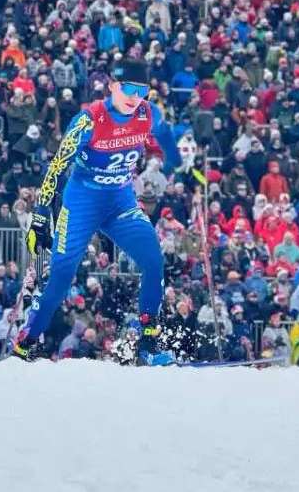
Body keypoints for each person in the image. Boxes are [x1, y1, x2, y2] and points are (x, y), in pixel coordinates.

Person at [15, 59, 181, 364]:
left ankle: (147, 347)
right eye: (128, 89)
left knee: (153, 260)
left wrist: (174, 162)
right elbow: (57, 166)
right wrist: (40, 215)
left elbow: (166, 133)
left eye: (141, 91)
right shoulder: (90, 120)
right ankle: (25, 342)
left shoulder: (146, 112)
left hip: (120, 202)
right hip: (82, 203)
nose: (134, 97)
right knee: (62, 275)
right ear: (113, 86)